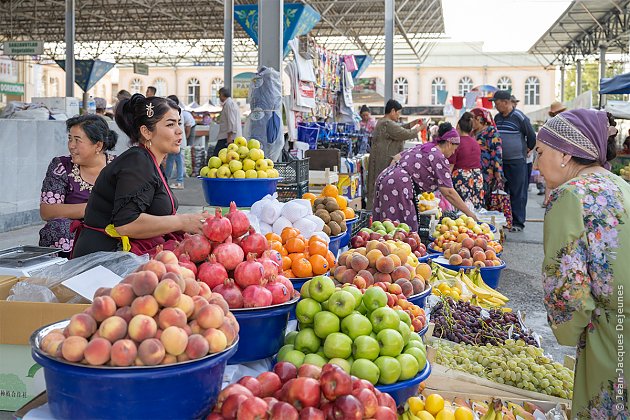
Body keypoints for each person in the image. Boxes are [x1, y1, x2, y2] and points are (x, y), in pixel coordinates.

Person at [536, 109, 629, 418]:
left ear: (565, 153)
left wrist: (571, 330)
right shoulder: (623, 188)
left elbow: (566, 290)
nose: (536, 164)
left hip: (609, 338)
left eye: (540, 152)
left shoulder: (569, 197)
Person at [72, 94, 208, 258]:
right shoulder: (137, 162)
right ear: (146, 132)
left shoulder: (150, 161)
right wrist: (183, 221)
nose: (179, 130)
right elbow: (126, 224)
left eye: (179, 123)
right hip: (104, 259)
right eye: (171, 124)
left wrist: (192, 221)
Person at [372, 123, 478, 231]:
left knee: (385, 227)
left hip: (386, 177)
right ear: (449, 143)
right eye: (454, 148)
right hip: (399, 185)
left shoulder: (425, 147)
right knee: (402, 230)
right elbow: (448, 192)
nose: (453, 152)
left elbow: (396, 157)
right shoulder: (439, 157)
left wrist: (392, 178)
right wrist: (469, 214)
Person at [39, 115, 117, 258]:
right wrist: (94, 209)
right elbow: (47, 211)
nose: (71, 145)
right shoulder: (61, 166)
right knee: (57, 227)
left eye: (77, 140)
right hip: (73, 236)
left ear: (98, 145)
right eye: (70, 138)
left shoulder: (119, 168)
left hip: (110, 231)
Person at [491, 90, 536, 232]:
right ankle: (505, 220)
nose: (496, 106)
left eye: (497, 103)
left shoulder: (519, 117)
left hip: (517, 161)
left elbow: (531, 136)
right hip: (501, 163)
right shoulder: (497, 118)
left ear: (506, 102)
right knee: (503, 192)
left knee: (518, 192)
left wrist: (527, 150)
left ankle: (518, 222)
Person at [366, 99, 422, 210]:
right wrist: (421, 127)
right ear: (392, 111)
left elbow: (399, 129)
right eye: (398, 112)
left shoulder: (383, 122)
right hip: (383, 163)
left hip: (379, 162)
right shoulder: (387, 124)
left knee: (377, 189)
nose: (399, 115)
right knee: (382, 189)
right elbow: (404, 133)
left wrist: (413, 123)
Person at [449, 113, 484, 209]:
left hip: (462, 177)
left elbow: (451, 165)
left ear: (458, 126)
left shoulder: (456, 143)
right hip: (477, 176)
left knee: (461, 208)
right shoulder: (475, 142)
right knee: (475, 207)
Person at [470, 108, 503, 199]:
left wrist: (498, 171)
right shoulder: (472, 133)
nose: (470, 122)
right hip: (474, 171)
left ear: (479, 119)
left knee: (487, 198)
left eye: (472, 119)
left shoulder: (491, 132)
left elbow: (497, 152)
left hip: (488, 172)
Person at [164, 95, 195, 189]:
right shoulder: (177, 111)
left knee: (177, 160)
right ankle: (166, 180)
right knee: (172, 160)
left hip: (177, 140)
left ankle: (178, 181)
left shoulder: (175, 112)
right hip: (178, 140)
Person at [212, 87, 242, 157]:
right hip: (227, 136)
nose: (219, 97)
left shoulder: (229, 104)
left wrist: (229, 137)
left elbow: (231, 121)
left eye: (219, 95)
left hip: (227, 137)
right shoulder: (229, 104)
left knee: (217, 155)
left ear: (222, 94)